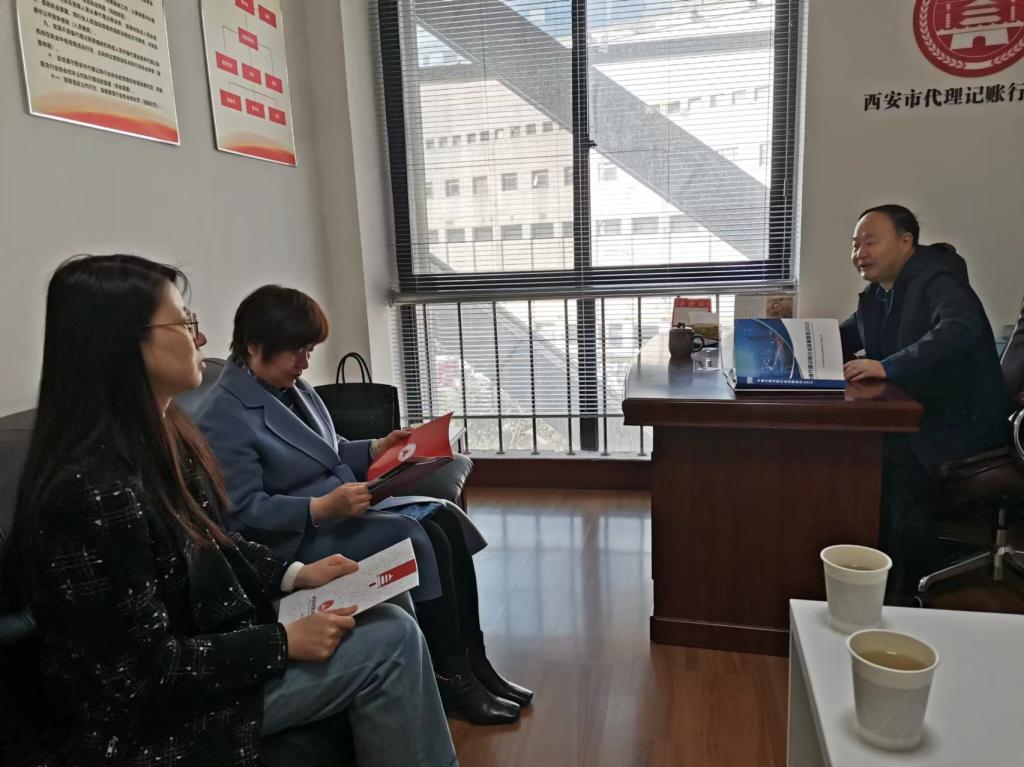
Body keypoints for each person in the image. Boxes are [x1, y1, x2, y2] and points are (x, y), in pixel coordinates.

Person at [0, 255, 457, 766]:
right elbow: (141, 674)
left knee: (384, 599)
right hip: (156, 723)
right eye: (184, 323)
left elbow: (208, 538)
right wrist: (281, 642)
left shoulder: (164, 436)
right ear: (124, 344)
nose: (201, 338)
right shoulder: (90, 492)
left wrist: (295, 575)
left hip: (217, 641)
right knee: (391, 639)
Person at [194, 285, 532, 726]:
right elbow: (242, 513)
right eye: (297, 351)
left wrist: (377, 447)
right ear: (255, 346)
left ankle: (475, 662)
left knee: (444, 519)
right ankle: (453, 680)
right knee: (417, 536)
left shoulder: (293, 387)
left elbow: (330, 451)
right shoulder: (222, 413)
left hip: (343, 510)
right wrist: (321, 508)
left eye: (309, 350)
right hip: (295, 539)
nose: (305, 362)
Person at [840, 205, 1010, 596]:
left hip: (965, 422)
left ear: (906, 242)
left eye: (870, 241)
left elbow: (959, 328)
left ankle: (907, 584)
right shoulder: (881, 293)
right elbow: (843, 335)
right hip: (926, 415)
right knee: (868, 447)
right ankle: (880, 565)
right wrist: (787, 341)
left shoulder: (938, 279)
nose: (860, 253)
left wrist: (887, 366)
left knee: (888, 459)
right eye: (855, 245)